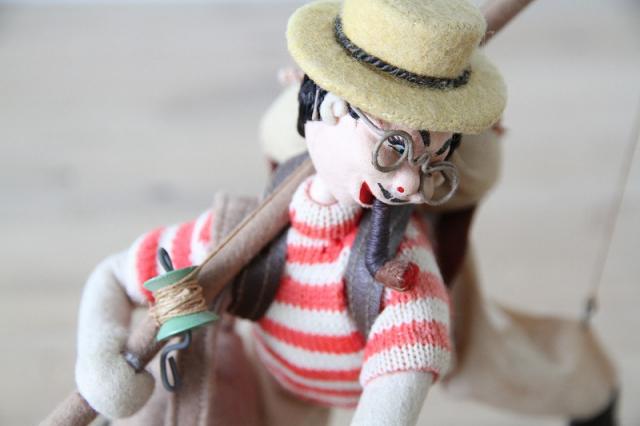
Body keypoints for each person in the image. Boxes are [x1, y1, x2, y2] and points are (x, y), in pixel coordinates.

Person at [72, 0, 617, 425]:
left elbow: (406, 364)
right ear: (330, 109)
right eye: (394, 149)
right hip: (279, 379)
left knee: (493, 364)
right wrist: (99, 364)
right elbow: (115, 277)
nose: (409, 183)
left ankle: (591, 390)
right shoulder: (238, 231)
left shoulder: (400, 269)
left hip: (390, 346)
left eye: (431, 162)